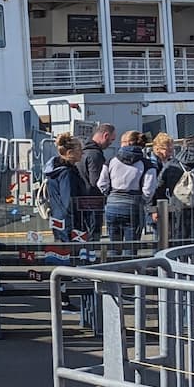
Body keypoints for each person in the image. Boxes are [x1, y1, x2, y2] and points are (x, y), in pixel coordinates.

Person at [43, 133, 90, 308]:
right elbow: (69, 199)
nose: (82, 154)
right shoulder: (67, 173)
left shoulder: (54, 170)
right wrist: (78, 223)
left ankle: (63, 296)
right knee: (71, 258)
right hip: (69, 221)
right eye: (79, 151)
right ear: (70, 152)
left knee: (62, 257)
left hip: (58, 219)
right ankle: (64, 298)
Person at [97, 130, 157, 252]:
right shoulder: (147, 164)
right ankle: (129, 270)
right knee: (131, 247)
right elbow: (149, 190)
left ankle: (114, 269)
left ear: (125, 143)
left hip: (112, 205)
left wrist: (110, 195)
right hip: (133, 206)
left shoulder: (111, 161)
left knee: (114, 246)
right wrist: (142, 200)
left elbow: (101, 183)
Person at [80, 123, 115, 238]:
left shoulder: (83, 151)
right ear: (105, 135)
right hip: (93, 202)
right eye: (111, 139)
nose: (111, 143)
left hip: (81, 201)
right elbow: (97, 182)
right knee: (93, 238)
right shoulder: (95, 155)